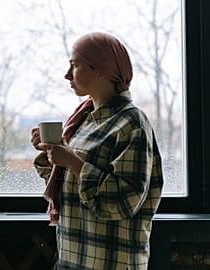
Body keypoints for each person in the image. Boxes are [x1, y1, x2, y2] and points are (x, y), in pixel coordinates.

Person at [30, 32, 163, 269]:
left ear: (101, 70)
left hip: (110, 262)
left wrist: (72, 161)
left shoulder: (131, 122)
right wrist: (52, 151)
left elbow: (125, 201)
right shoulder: (84, 121)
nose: (67, 75)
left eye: (75, 65)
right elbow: (71, 185)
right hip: (73, 258)